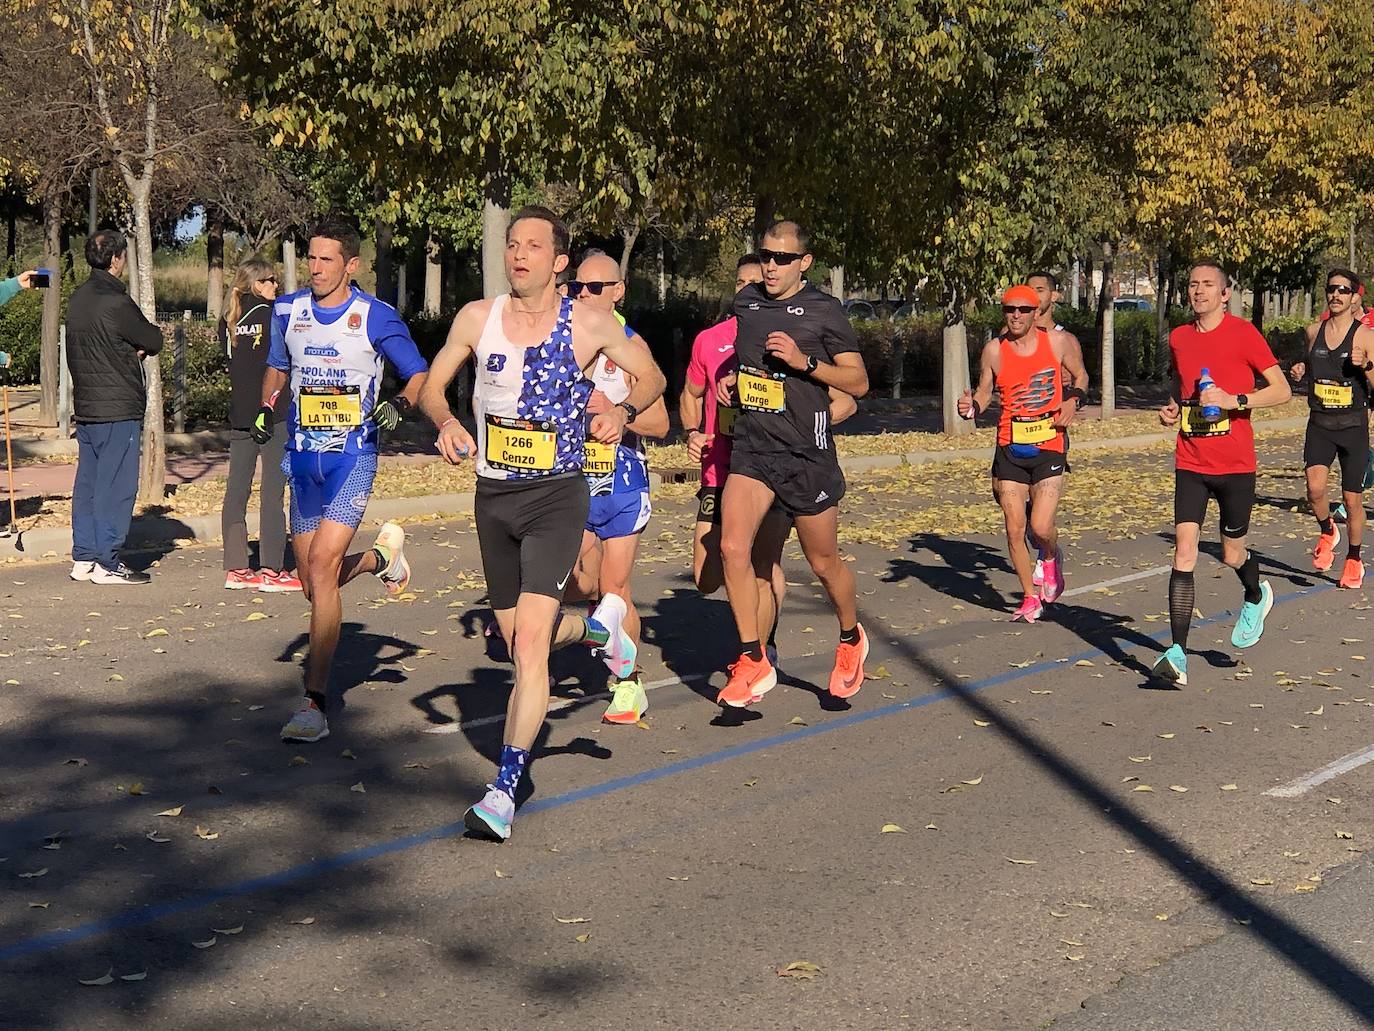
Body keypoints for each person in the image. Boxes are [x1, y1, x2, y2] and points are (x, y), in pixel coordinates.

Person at [419, 205, 667, 842]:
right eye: (512, 244)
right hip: (493, 495)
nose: (518, 254)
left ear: (559, 261)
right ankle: (599, 628)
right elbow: (431, 386)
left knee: (529, 647)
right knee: (514, 638)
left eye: (533, 245)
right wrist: (447, 422)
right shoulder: (479, 319)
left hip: (557, 494)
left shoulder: (588, 321)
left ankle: (503, 790)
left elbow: (653, 375)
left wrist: (623, 407)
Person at [258, 215, 430, 742]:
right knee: (313, 583)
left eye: (326, 259)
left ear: (351, 265)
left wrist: (400, 403)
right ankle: (382, 559)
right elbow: (278, 366)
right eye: (311, 257)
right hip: (302, 456)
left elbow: (418, 372)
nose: (315, 268)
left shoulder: (373, 317)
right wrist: (267, 401)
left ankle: (315, 702)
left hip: (351, 458)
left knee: (325, 565)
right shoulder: (286, 310)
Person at [715, 220, 870, 707]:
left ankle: (850, 638)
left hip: (807, 454)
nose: (771, 265)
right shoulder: (746, 302)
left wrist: (806, 363)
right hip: (754, 448)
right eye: (765, 255)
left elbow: (859, 383)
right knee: (732, 547)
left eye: (783, 258)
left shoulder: (825, 310)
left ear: (804, 262)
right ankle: (751, 657)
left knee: (823, 563)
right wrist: (731, 382)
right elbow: (746, 360)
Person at [681, 253, 856, 670]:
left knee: (772, 561)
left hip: (774, 460)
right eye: (741, 284)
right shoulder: (711, 340)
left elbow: (849, 395)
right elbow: (690, 393)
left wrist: (807, 420)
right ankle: (754, 648)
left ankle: (758, 651)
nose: (748, 291)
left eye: (753, 282)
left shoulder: (797, 325)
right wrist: (693, 431)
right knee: (709, 575)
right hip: (721, 465)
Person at [1152, 259, 1292, 686]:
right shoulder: (1179, 337)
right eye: (1193, 285)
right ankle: (1178, 654)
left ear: (1225, 293)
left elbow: (1283, 390)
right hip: (1191, 460)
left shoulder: (1243, 334)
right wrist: (1175, 406)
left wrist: (1238, 400)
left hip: (1235, 464)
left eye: (1207, 285)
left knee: (1232, 554)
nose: (1198, 291)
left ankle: (1255, 592)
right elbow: (1185, 386)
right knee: (1184, 551)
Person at [563, 250, 670, 725]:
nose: (582, 295)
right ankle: (598, 624)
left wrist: (616, 411)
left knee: (616, 587)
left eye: (594, 288)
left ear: (618, 291)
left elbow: (662, 423)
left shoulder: (631, 346)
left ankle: (628, 685)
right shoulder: (562, 341)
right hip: (570, 479)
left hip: (622, 481)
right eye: (576, 287)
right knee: (573, 580)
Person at [958, 284, 1089, 622]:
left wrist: (1073, 398)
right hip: (1009, 444)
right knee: (1014, 528)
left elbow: (1081, 375)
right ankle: (1030, 598)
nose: (1015, 315)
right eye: (1009, 310)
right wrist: (972, 405)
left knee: (1041, 526)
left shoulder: (1057, 343)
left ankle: (1050, 555)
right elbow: (986, 391)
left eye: (1022, 310)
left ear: (1035, 314)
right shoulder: (994, 350)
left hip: (1049, 441)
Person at [66, 230, 164, 585]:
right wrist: (135, 348)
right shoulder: (116, 301)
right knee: (117, 484)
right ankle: (108, 560)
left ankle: (84, 556)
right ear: (116, 259)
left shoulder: (77, 299)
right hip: (118, 405)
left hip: (88, 405)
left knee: (89, 483)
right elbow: (151, 338)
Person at [219, 257, 300, 593]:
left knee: (236, 491)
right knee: (272, 492)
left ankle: (237, 568)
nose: (275, 286)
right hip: (273, 412)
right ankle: (272, 568)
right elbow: (284, 362)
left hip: (240, 414)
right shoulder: (274, 315)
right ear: (255, 284)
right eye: (269, 280)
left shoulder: (229, 320)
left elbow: (232, 366)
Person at [1288, 268, 1374, 587]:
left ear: (1354, 297)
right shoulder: (1313, 331)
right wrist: (1300, 369)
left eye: (1343, 290)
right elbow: (1310, 365)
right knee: (1314, 490)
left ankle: (1354, 558)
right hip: (1319, 423)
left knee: (1352, 500)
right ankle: (1328, 530)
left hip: (1352, 427)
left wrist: (1365, 366)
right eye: (1331, 289)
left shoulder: (1365, 335)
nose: (1336, 295)